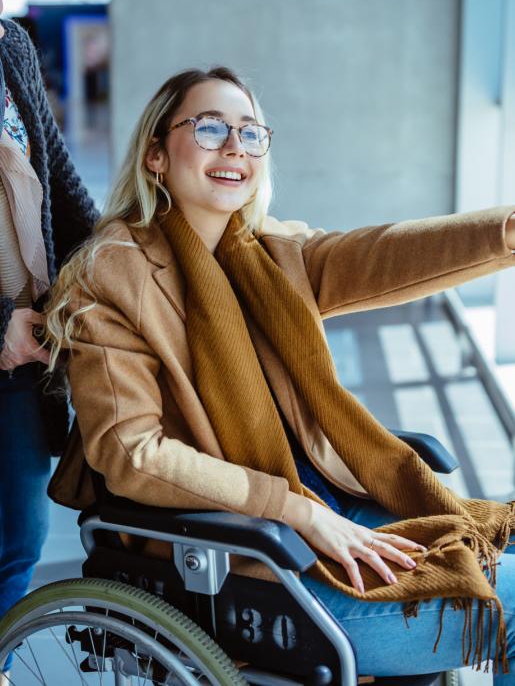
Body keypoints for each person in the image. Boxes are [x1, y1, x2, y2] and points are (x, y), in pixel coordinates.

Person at [46, 67, 515, 683]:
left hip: (334, 517)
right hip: (241, 564)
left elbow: (385, 253)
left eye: (250, 132)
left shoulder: (272, 252)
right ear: (156, 153)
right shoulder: (111, 276)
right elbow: (132, 453)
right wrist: (294, 510)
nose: (234, 147)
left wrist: (505, 230)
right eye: (209, 128)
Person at [0, 0, 98, 684]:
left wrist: (115, 262)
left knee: (15, 539)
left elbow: (57, 174)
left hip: (24, 345)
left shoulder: (10, 44)